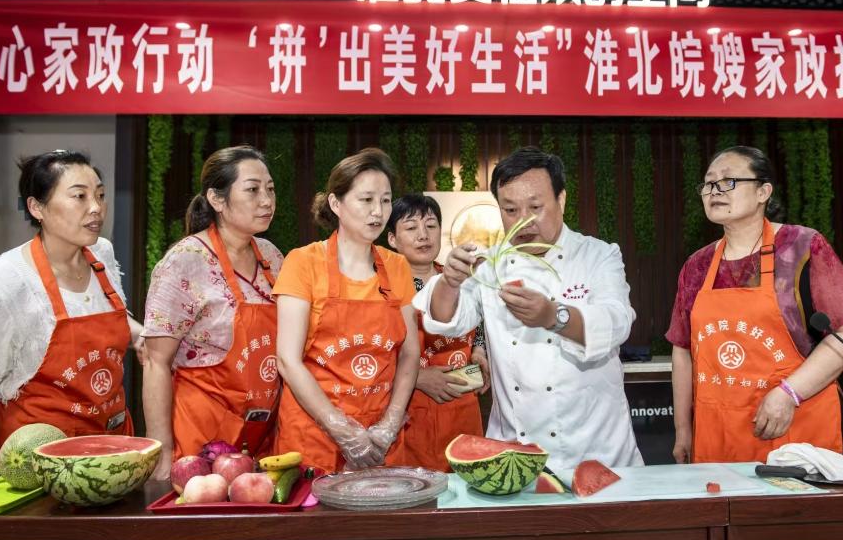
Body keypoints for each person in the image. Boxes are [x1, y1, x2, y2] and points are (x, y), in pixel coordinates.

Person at [413, 147, 643, 470]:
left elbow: (616, 322)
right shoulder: (491, 264)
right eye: (510, 209)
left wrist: (553, 316)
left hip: (599, 452)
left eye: (536, 207)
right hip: (517, 457)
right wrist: (449, 282)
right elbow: (445, 319)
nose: (523, 220)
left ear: (561, 199)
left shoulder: (598, 255)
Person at [667, 146, 843, 464]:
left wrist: (790, 392)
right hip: (719, 433)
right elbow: (682, 349)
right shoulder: (697, 265)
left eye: (728, 181)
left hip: (797, 429)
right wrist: (682, 429)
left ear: (763, 192)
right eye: (709, 183)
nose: (715, 190)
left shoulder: (801, 247)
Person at [0, 150, 144, 465]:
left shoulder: (101, 253)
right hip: (38, 464)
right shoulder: (5, 284)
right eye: (79, 196)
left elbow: (107, 313)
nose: (96, 208)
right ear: (36, 207)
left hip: (112, 450)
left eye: (100, 195)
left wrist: (141, 336)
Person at [272, 148, 419, 473]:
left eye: (385, 200)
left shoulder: (397, 266)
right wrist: (340, 429)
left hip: (381, 440)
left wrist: (390, 424)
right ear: (336, 204)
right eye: (366, 200)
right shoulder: (303, 262)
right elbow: (287, 360)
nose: (378, 212)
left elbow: (410, 353)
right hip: (314, 437)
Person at [143, 146, 283, 478]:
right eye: (252, 190)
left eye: (270, 189)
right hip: (202, 437)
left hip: (261, 437)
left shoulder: (271, 257)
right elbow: (155, 361)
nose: (266, 200)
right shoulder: (186, 260)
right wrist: (161, 450)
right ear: (217, 199)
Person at [386, 194, 489, 471]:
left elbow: (479, 323)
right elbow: (372, 351)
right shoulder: (384, 287)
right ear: (392, 239)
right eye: (411, 227)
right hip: (410, 409)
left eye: (431, 226)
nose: (423, 235)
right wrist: (416, 377)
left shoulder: (459, 279)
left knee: (466, 483)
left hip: (462, 406)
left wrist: (480, 351)